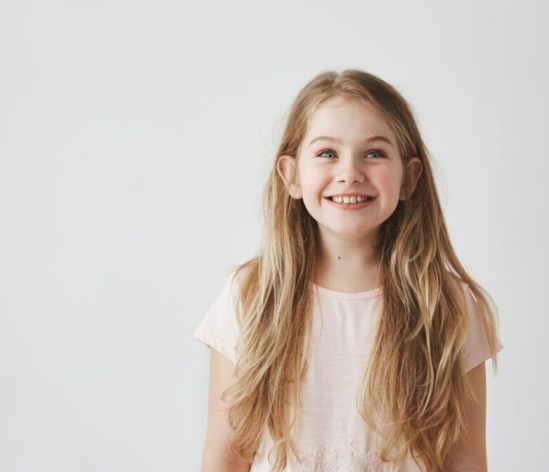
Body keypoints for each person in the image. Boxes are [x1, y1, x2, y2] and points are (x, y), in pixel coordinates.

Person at [193, 69, 503, 472]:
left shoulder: (448, 305)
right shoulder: (249, 296)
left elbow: (465, 462)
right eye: (327, 153)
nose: (350, 173)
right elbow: (226, 456)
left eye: (374, 153)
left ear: (409, 178)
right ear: (291, 175)